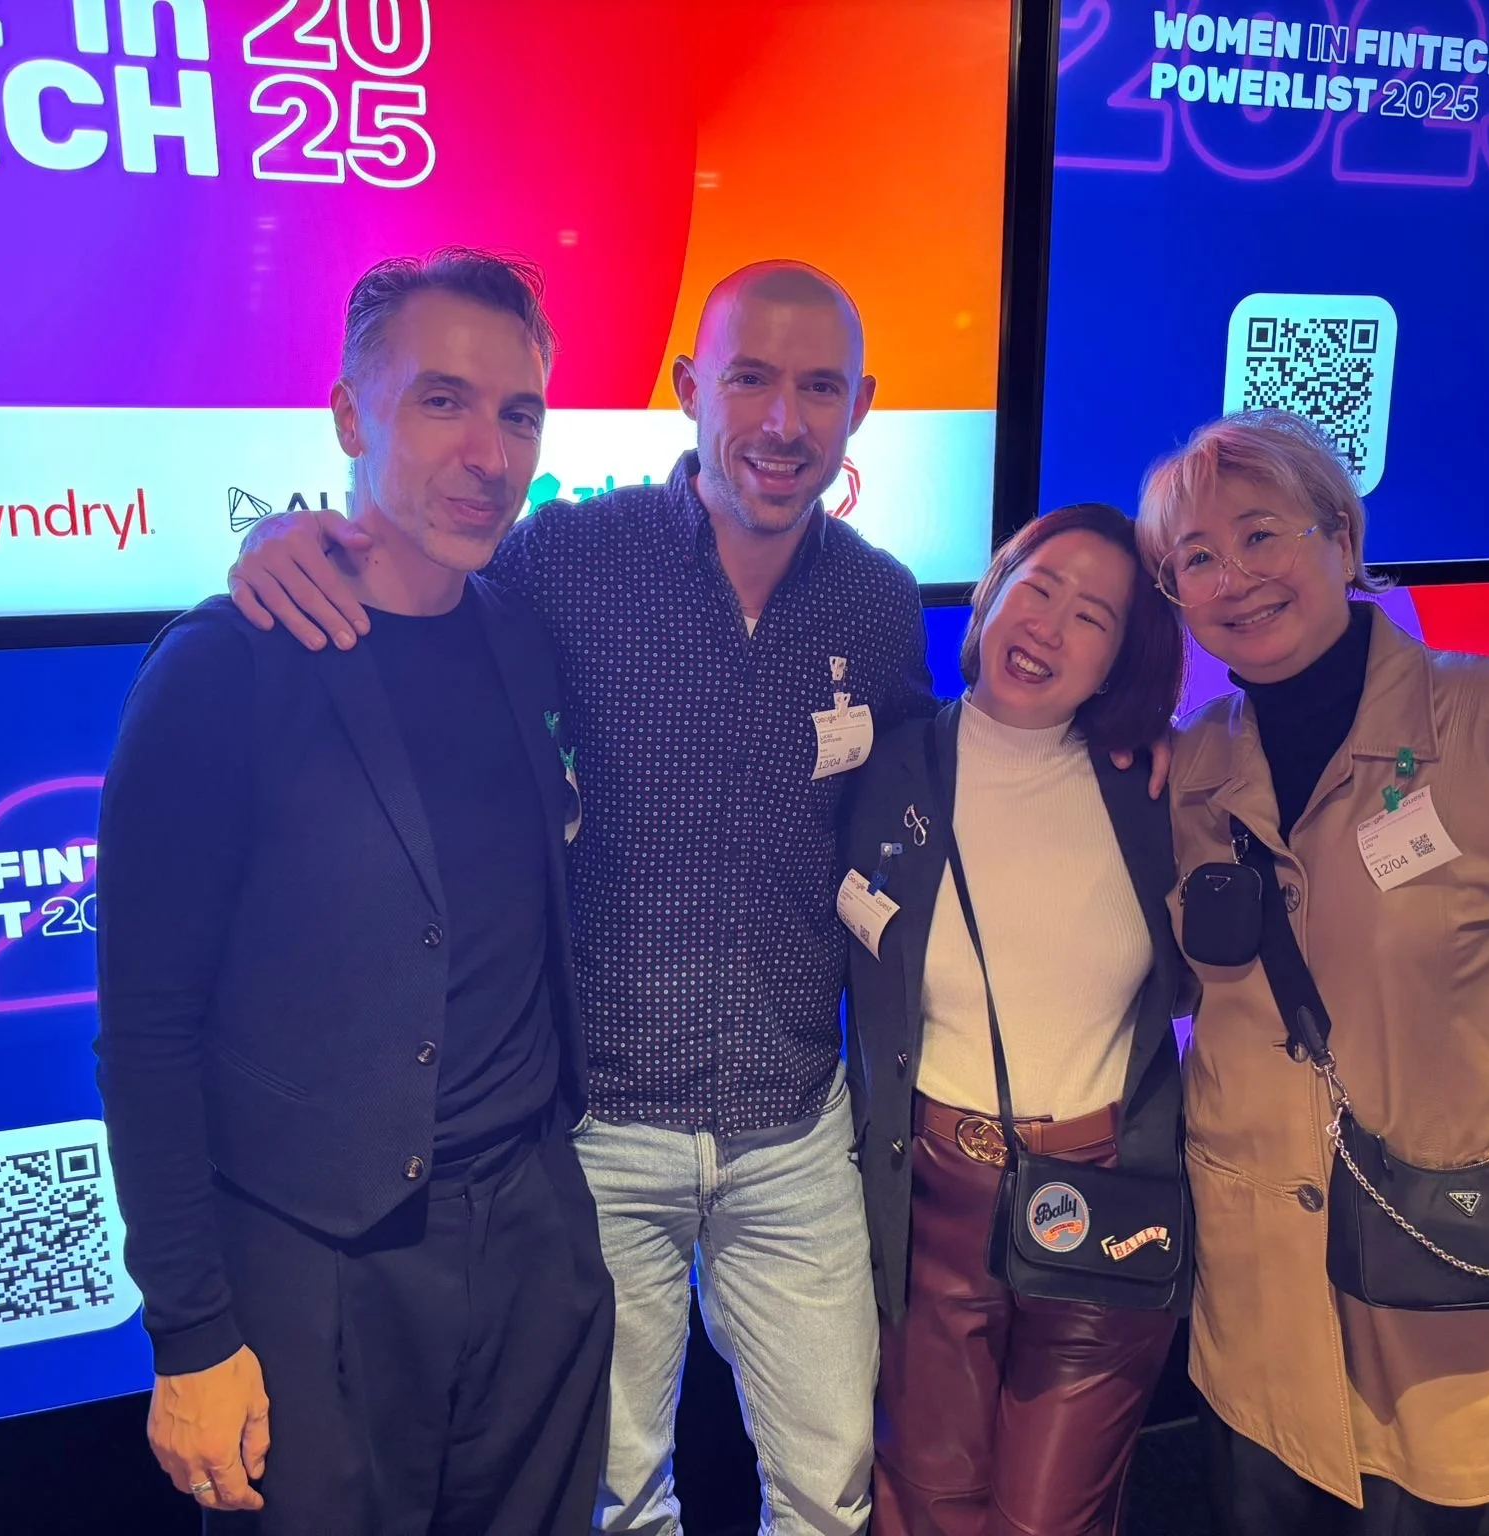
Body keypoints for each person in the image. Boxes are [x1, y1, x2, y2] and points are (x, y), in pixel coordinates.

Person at [228, 260, 920, 1536]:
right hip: (597, 1125)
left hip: (794, 1125)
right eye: (749, 379)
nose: (780, 422)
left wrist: (1126, 733)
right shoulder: (564, 557)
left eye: (817, 387)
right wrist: (279, 542)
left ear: (861, 406)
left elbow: (955, 770)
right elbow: (406, 602)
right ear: (685, 388)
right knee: (613, 1496)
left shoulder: (877, 603)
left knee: (829, 1491)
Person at [96, 249, 612, 1534]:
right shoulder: (226, 667)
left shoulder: (523, 627)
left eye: (517, 412)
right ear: (347, 416)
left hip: (534, 1243)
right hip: (313, 1264)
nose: (487, 452)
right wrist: (189, 1332)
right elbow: (147, 1033)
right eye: (441, 401)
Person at [1139, 411, 1489, 1535]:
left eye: (1259, 535)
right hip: (1253, 1311)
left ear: (1341, 536)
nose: (1233, 577)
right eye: (1195, 557)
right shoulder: (1191, 768)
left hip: (1444, 1287)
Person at [842, 504, 1192, 1536]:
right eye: (1036, 589)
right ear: (990, 591)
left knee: (1043, 1522)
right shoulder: (886, 767)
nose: (1047, 627)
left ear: (1117, 662)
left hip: (1104, 1203)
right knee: (928, 1504)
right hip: (928, 1203)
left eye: (1091, 617)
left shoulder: (1162, 790)